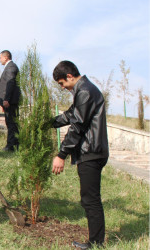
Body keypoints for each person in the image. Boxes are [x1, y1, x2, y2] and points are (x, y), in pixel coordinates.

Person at [50, 61, 109, 249]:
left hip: (90, 151)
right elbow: (70, 116)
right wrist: (48, 123)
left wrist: (61, 154)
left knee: (90, 198)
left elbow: (77, 126)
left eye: (61, 83)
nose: (62, 87)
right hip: (91, 151)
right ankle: (96, 241)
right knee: (89, 197)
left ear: (69, 76)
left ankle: (96, 243)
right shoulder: (84, 90)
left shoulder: (84, 91)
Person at [0, 50, 20, 152]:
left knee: (11, 123)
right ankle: (13, 144)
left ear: (6, 57)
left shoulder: (11, 67)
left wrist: (6, 99)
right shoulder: (9, 67)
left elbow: (10, 84)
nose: (0, 59)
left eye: (0, 57)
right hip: (8, 101)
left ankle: (11, 146)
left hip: (10, 101)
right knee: (10, 123)